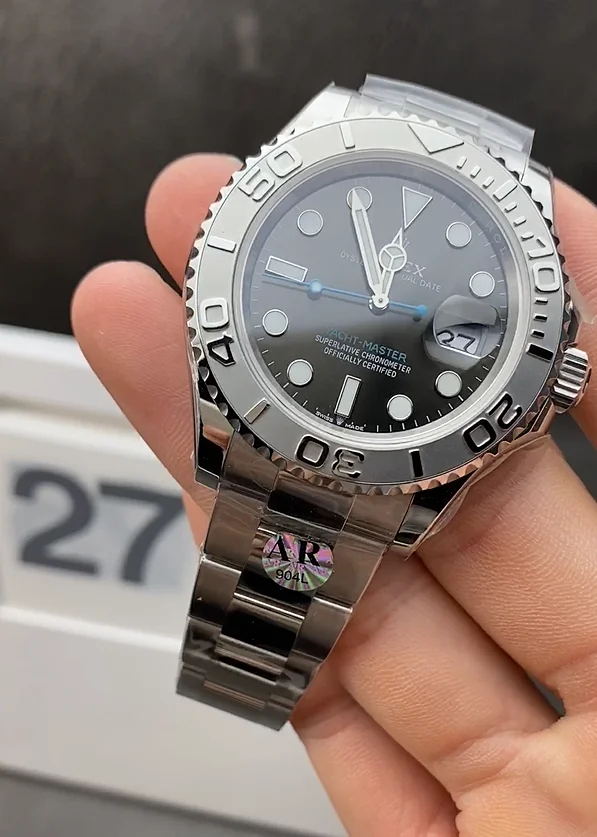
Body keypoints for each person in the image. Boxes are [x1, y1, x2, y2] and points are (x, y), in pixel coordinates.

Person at [72, 152, 597, 836]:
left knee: (294, 688)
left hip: (382, 462)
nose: (379, 305)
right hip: (275, 417)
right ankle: (234, 680)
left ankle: (236, 685)